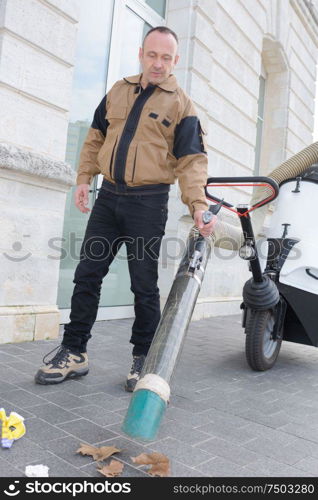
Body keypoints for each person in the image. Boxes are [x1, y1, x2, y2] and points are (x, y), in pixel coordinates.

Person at [34, 26, 216, 392]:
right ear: (141, 54)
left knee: (143, 285)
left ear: (175, 61)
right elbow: (95, 137)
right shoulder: (118, 90)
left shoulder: (181, 105)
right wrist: (84, 178)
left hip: (147, 204)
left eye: (166, 57)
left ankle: (142, 358)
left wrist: (198, 204)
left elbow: (191, 161)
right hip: (108, 198)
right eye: (153, 55)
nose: (158, 63)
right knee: (87, 274)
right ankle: (74, 352)